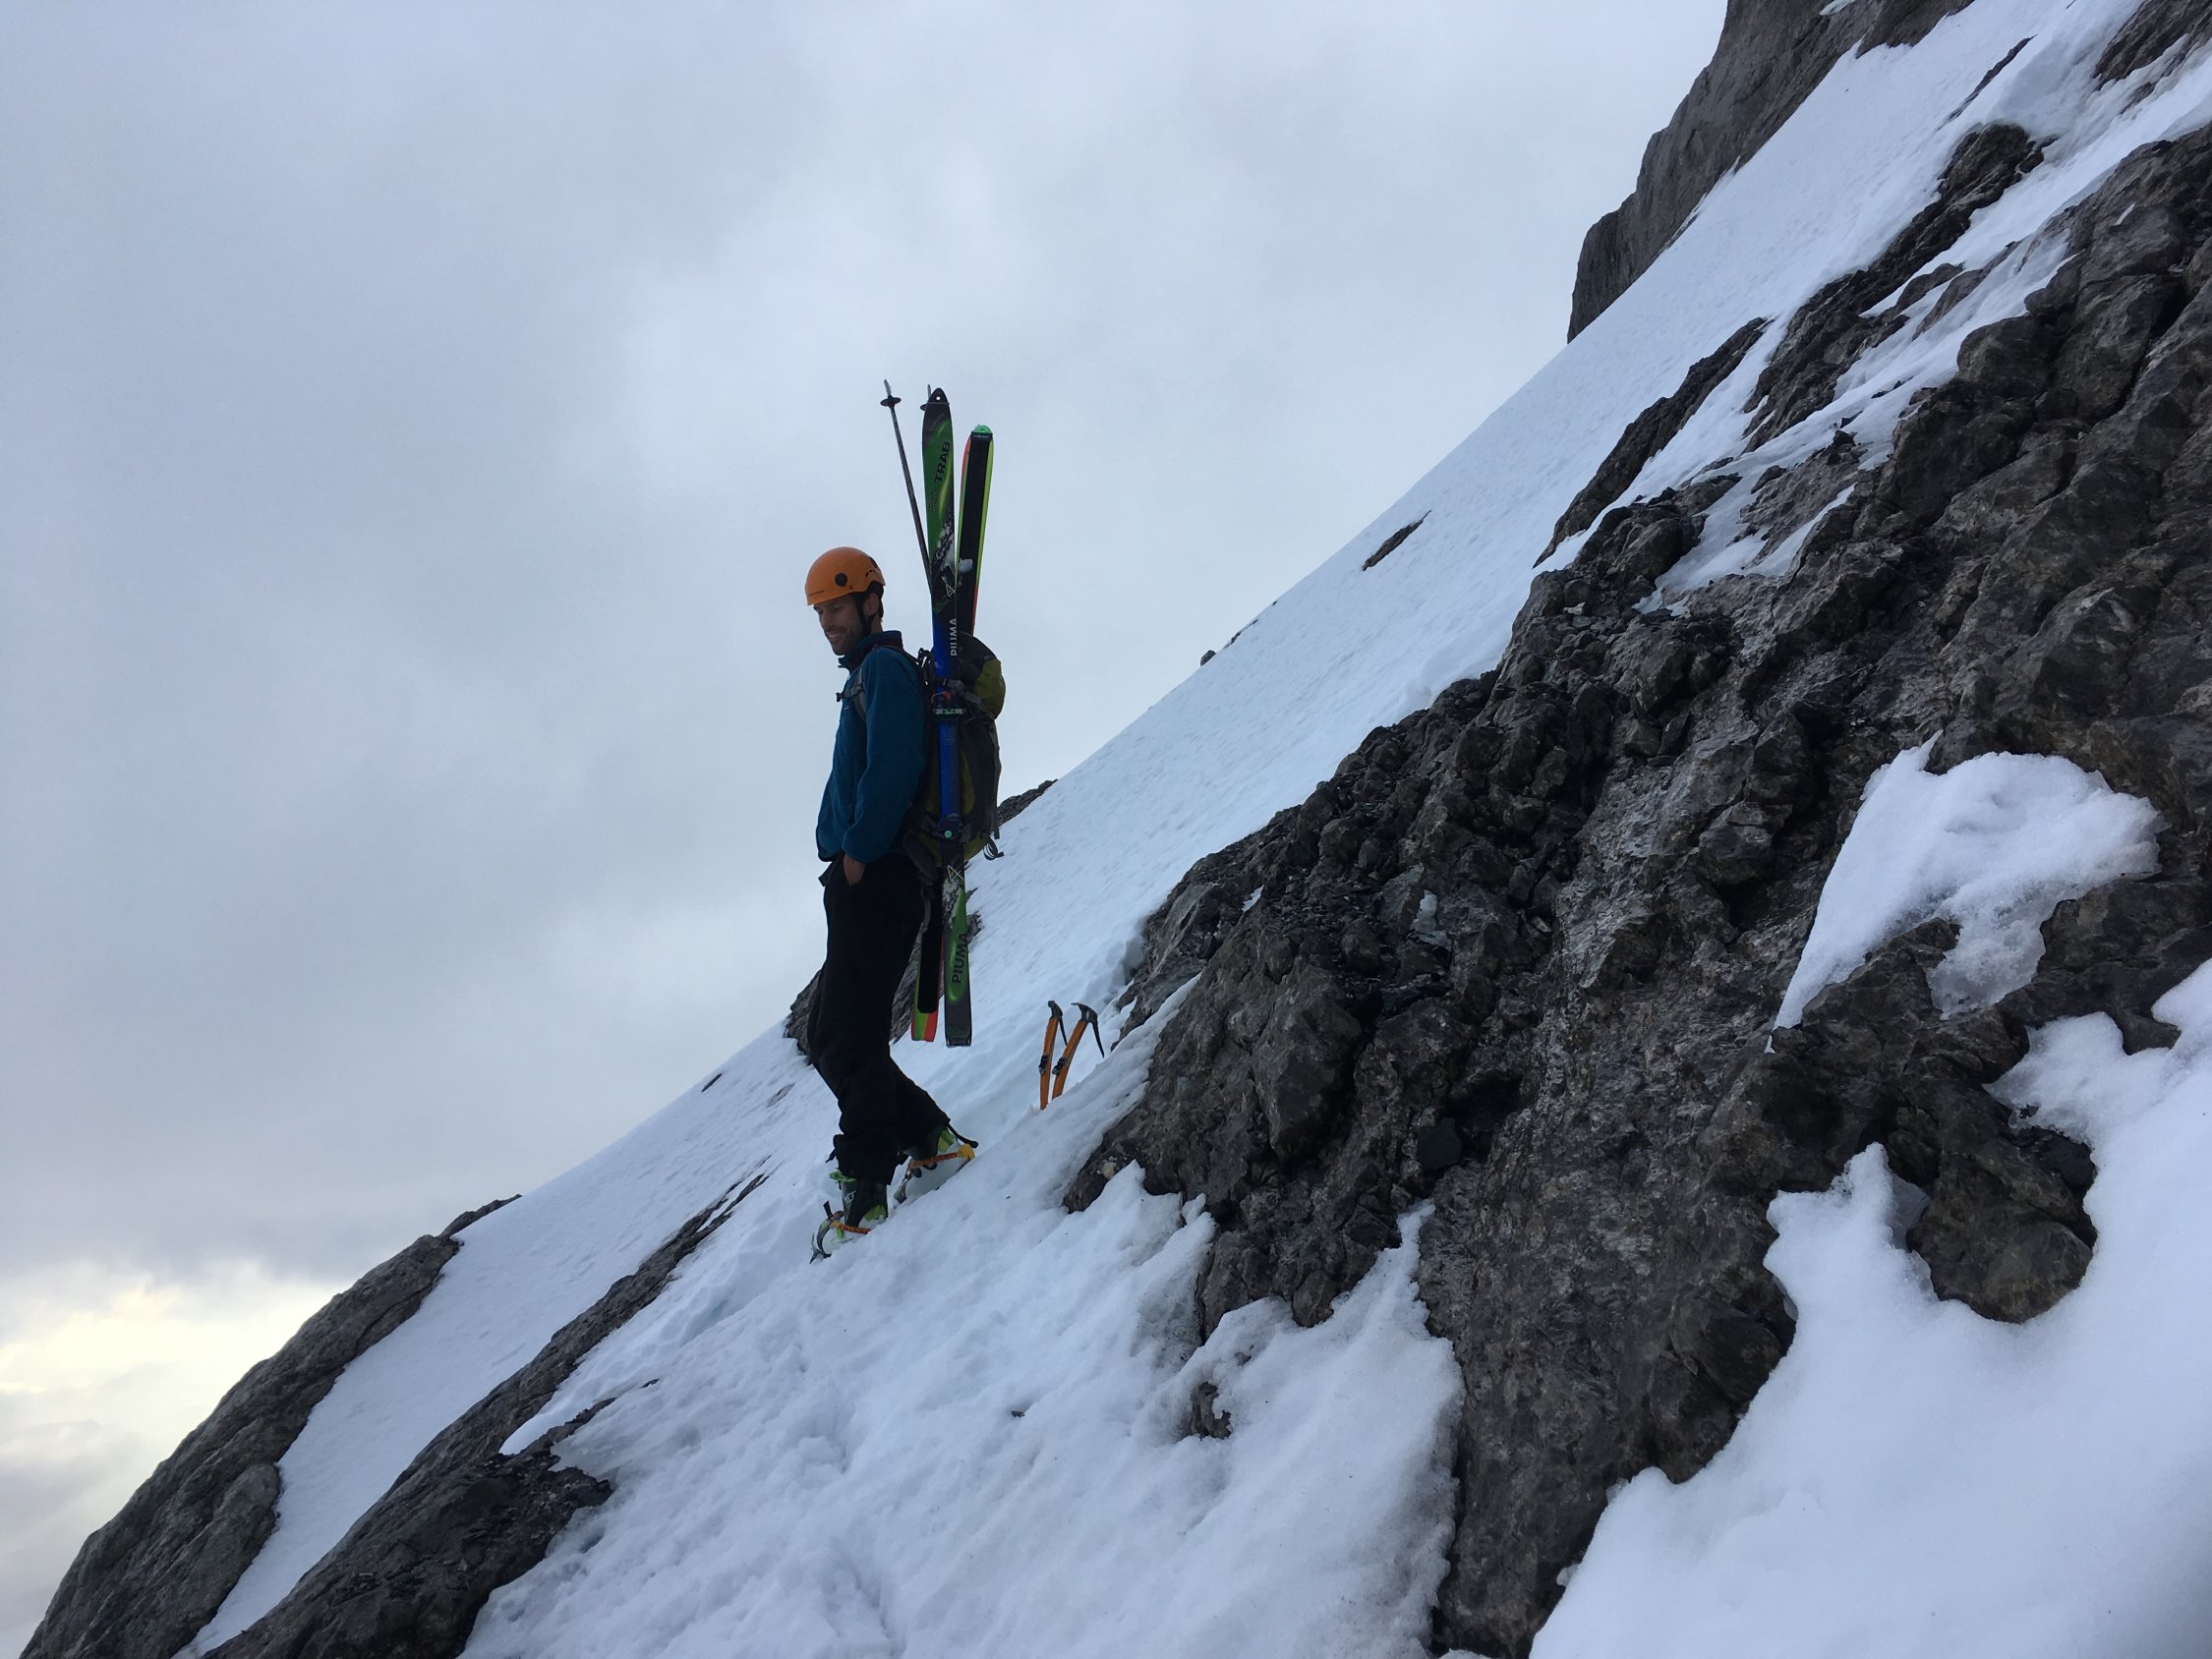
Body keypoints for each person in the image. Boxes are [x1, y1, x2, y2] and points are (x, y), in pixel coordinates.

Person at [803, 545, 961, 1244]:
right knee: (834, 1036)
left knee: (848, 1039)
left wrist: (860, 855)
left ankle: (865, 1192)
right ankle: (931, 1139)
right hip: (866, 876)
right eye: (820, 612)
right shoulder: (866, 677)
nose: (828, 622)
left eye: (837, 607)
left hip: (881, 874)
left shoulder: (885, 671)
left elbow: (893, 768)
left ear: (871, 602)